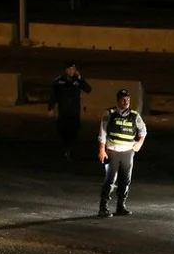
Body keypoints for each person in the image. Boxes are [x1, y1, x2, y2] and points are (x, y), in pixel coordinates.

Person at [97, 89, 147, 218]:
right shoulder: (110, 113)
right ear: (118, 100)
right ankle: (103, 207)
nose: (126, 102)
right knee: (110, 180)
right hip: (112, 151)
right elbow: (103, 132)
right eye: (123, 99)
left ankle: (121, 206)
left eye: (128, 99)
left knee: (125, 180)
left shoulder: (134, 115)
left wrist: (139, 143)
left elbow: (143, 130)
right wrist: (102, 150)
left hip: (128, 152)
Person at [47, 60, 92, 161]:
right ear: (65, 70)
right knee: (63, 131)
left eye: (73, 69)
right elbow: (54, 95)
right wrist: (51, 108)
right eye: (70, 69)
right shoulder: (58, 81)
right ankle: (66, 149)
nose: (71, 71)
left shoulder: (78, 81)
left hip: (74, 112)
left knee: (74, 131)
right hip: (63, 111)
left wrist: (81, 79)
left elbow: (88, 89)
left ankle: (72, 151)